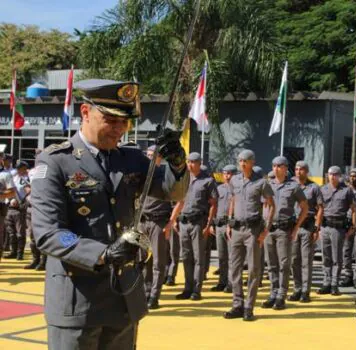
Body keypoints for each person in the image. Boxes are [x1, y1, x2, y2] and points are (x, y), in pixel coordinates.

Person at [31, 79, 189, 350]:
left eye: (124, 122)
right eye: (110, 120)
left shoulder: (130, 158)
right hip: (77, 300)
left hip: (123, 297)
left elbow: (172, 192)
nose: (118, 129)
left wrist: (177, 163)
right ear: (85, 112)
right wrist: (102, 254)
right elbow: (48, 234)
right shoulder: (56, 161)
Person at [223, 150, 274, 321]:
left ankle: (248, 307)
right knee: (234, 268)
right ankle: (237, 304)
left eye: (245, 161)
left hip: (253, 231)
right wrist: (229, 222)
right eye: (240, 161)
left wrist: (266, 229)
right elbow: (233, 200)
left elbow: (271, 206)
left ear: (252, 162)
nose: (242, 163)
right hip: (237, 229)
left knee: (253, 270)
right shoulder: (234, 180)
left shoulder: (261, 183)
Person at [261, 156, 308, 311]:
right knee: (271, 264)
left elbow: (305, 208)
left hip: (284, 230)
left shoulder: (293, 187)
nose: (275, 168)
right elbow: (265, 206)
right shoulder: (268, 185)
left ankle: (281, 295)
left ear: (285, 168)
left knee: (284, 264)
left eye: (279, 166)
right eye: (273, 165)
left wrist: (296, 228)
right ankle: (273, 294)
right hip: (270, 229)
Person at [170, 152, 218, 301]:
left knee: (198, 258)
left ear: (199, 163)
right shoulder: (184, 180)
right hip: (184, 222)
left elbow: (213, 204)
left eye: (193, 162)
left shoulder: (208, 181)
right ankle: (187, 288)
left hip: (198, 223)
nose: (190, 165)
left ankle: (196, 290)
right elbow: (180, 201)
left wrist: (208, 224)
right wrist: (175, 219)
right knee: (186, 257)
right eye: (188, 162)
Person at [140, 145, 174, 309]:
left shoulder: (167, 175)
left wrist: (171, 223)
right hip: (142, 222)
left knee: (158, 262)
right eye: (147, 154)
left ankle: (154, 296)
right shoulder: (142, 173)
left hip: (158, 222)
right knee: (143, 259)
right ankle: (145, 292)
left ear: (160, 157)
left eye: (152, 154)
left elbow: (180, 200)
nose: (149, 157)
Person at [318, 166, 356, 296]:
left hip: (338, 228)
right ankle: (326, 282)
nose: (332, 176)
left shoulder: (346, 191)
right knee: (326, 257)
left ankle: (335, 284)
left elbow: (354, 210)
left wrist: (353, 226)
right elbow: (319, 209)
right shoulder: (322, 189)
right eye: (330, 174)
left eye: (335, 174)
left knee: (337, 258)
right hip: (325, 227)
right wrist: (317, 227)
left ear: (339, 176)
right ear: (327, 175)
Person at [289, 161, 323, 303]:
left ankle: (305, 291)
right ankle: (296, 289)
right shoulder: (290, 185)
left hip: (308, 226)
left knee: (306, 261)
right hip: (293, 227)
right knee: (293, 260)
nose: (298, 171)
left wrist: (316, 228)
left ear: (306, 171)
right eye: (296, 169)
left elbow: (320, 208)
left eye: (301, 169)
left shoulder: (313, 188)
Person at [210, 164, 237, 292]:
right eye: (225, 173)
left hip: (231, 225)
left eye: (229, 173)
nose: (227, 176)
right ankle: (222, 282)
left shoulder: (238, 189)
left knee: (232, 257)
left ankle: (231, 283)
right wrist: (211, 224)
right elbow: (214, 206)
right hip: (220, 224)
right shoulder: (219, 188)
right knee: (222, 256)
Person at [4, 160, 30, 260]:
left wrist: (23, 203)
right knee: (11, 231)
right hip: (9, 207)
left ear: (25, 168)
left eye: (21, 168)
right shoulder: (13, 177)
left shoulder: (27, 179)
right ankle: (13, 251)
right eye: (18, 168)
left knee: (20, 232)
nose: (19, 170)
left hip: (20, 208)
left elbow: (30, 193)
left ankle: (19, 253)